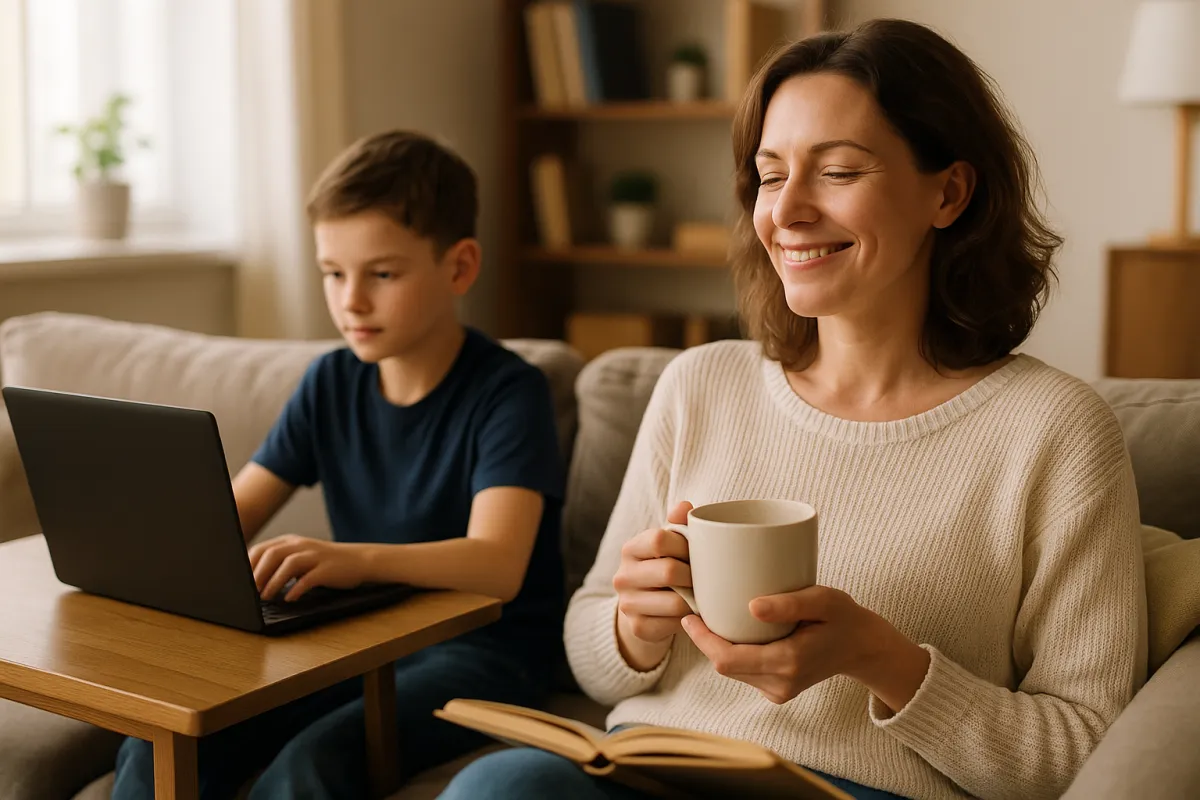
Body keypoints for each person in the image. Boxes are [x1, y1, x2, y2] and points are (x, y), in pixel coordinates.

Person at [440, 18, 1146, 800]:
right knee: (497, 786)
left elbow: (1086, 748)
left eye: (838, 172)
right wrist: (634, 629)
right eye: (771, 176)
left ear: (948, 192)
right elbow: (591, 647)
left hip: (855, 792)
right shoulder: (700, 386)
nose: (787, 212)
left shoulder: (1053, 431)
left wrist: (883, 660)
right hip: (651, 772)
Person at [111, 130, 567, 799]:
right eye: (333, 272)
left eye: (381, 274)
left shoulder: (508, 392)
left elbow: (497, 565)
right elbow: (231, 518)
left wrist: (356, 559)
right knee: (161, 745)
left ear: (460, 267)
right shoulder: (329, 383)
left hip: (483, 654)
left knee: (313, 762)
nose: (350, 300)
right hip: (356, 644)